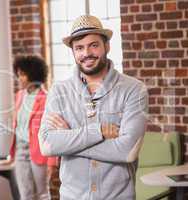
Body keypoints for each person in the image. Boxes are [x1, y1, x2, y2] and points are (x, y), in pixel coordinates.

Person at [38, 15, 148, 200]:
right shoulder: (59, 91)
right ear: (73, 52)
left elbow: (127, 151)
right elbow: (47, 145)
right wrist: (98, 131)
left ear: (107, 46)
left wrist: (68, 141)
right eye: (79, 48)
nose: (86, 53)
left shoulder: (134, 90)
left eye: (93, 45)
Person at [2, 55, 58, 200]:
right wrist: (12, 154)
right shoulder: (19, 96)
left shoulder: (47, 98)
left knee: (42, 194)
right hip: (21, 151)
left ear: (33, 75)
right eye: (18, 74)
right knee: (26, 195)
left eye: (22, 74)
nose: (19, 78)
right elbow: (18, 125)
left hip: (39, 152)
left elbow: (52, 132)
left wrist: (52, 162)